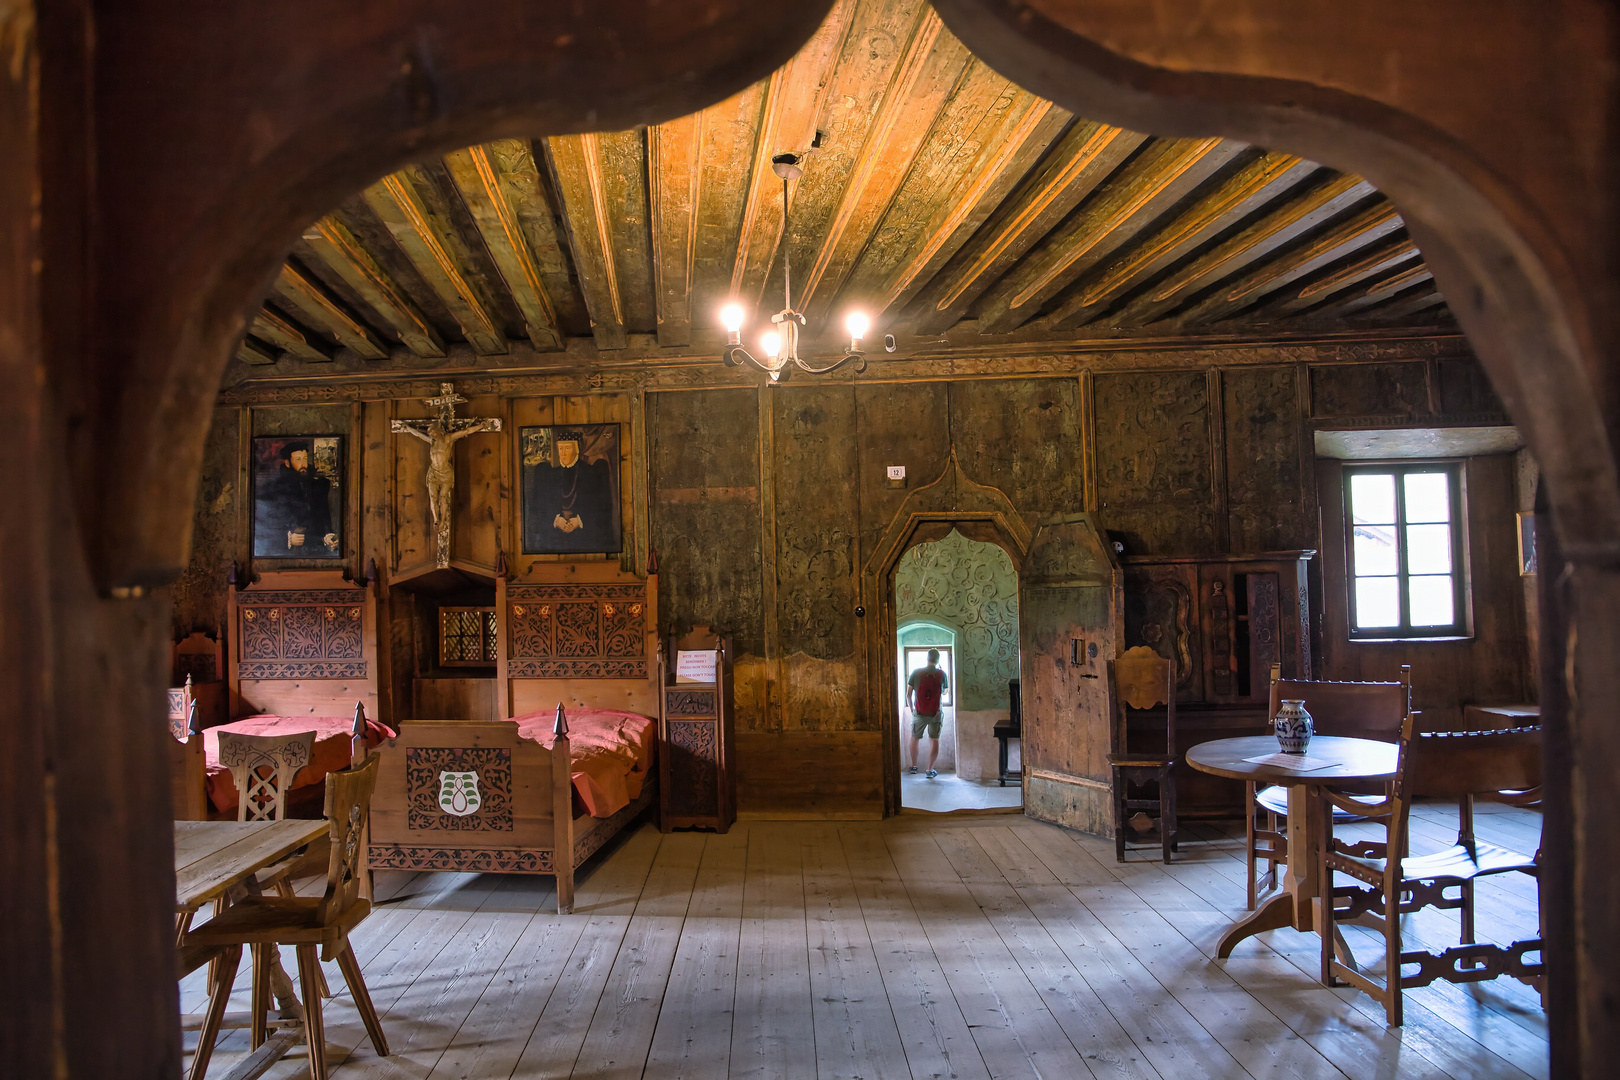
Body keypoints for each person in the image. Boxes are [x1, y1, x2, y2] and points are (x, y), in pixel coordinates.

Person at [254, 439, 338, 557]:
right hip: (286, 552)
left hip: (315, 548)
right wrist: (287, 539)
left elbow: (323, 515)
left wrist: (328, 535)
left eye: (304, 459)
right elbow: (264, 526)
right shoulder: (275, 488)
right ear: (288, 463)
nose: (303, 464)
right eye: (298, 459)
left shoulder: (318, 485)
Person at [905, 649, 949, 779]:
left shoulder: (916, 672)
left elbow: (908, 694)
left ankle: (914, 767)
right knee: (934, 739)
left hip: (919, 712)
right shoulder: (942, 674)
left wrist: (912, 709)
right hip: (935, 713)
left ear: (927, 658)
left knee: (914, 738)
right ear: (937, 660)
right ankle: (930, 770)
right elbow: (945, 692)